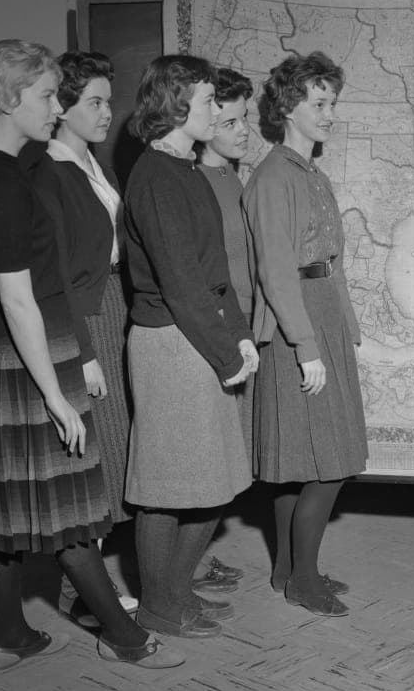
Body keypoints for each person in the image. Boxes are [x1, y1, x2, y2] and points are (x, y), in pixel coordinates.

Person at [0, 39, 182, 671]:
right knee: (73, 513)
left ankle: (8, 637)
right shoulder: (5, 184)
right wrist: (56, 393)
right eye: (48, 95)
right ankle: (123, 638)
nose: (57, 107)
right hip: (31, 360)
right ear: (10, 98)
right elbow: (20, 300)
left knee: (5, 511)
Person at [122, 55, 259, 638]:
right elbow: (180, 281)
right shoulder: (155, 177)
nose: (216, 111)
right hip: (171, 344)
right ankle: (159, 604)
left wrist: (240, 334)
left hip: (198, 336)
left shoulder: (186, 170)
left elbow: (214, 271)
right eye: (206, 102)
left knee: (211, 482)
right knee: (168, 485)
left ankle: (175, 594)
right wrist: (228, 353)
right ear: (176, 105)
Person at [243, 51, 367, 617]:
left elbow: (328, 261)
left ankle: (288, 570)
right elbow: (275, 269)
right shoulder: (273, 177)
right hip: (298, 325)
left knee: (301, 459)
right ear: (289, 107)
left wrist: (344, 325)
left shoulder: (308, 172)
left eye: (333, 102)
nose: (330, 114)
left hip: (321, 316)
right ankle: (304, 578)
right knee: (327, 461)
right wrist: (307, 348)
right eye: (320, 103)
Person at [28, 51, 139, 626]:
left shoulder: (95, 165)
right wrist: (86, 355)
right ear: (63, 107)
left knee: (114, 451)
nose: (106, 111)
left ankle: (91, 580)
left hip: (115, 309)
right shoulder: (48, 174)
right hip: (85, 321)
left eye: (107, 100)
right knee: (91, 458)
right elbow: (59, 278)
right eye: (94, 101)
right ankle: (89, 591)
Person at [191, 66, 256, 595]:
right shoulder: (197, 183)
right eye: (230, 121)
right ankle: (182, 566)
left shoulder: (233, 175)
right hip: (218, 336)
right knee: (209, 455)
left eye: (245, 119)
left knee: (229, 455)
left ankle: (197, 556)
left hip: (244, 329)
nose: (243, 130)